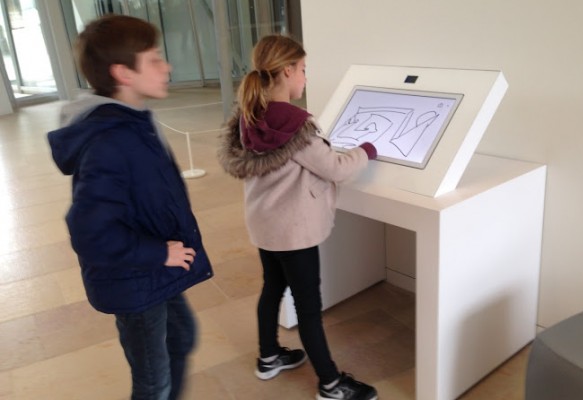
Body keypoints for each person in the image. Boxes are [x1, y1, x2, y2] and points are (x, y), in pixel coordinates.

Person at [47, 14, 213, 400]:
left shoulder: (132, 124)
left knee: (182, 336)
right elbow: (91, 232)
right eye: (154, 59)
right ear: (123, 73)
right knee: (153, 382)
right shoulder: (110, 142)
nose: (167, 66)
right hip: (136, 278)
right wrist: (158, 252)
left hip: (152, 270)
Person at [218, 34, 378, 400]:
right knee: (308, 306)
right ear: (288, 70)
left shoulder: (249, 115)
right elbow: (336, 168)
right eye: (303, 69)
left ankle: (269, 357)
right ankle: (331, 384)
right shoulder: (296, 124)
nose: (305, 77)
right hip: (295, 232)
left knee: (272, 288)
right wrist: (367, 150)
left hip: (264, 225)